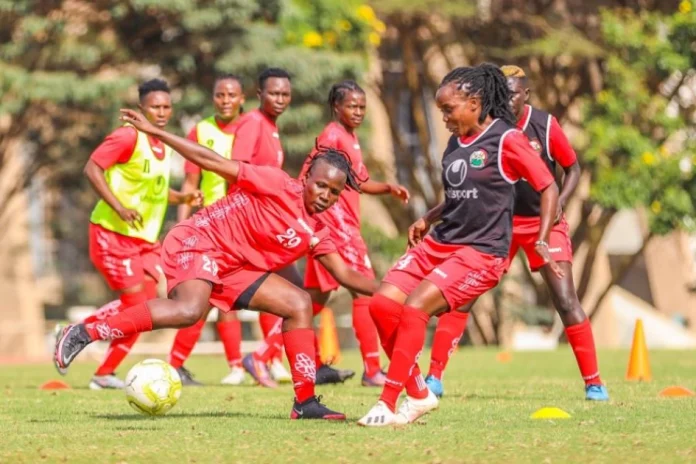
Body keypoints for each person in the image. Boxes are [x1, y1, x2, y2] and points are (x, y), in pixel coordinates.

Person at [55, 108, 380, 420]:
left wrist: (399, 292)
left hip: (235, 267)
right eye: (321, 185)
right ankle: (84, 332)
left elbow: (346, 275)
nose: (325, 194)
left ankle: (305, 403)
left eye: (334, 192)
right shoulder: (276, 183)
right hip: (200, 240)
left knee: (299, 303)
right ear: (307, 177)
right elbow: (212, 161)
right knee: (188, 311)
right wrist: (157, 132)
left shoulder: (318, 231)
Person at [357, 63, 561, 426]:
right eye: (442, 110)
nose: (445, 118)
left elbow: (547, 186)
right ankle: (419, 394)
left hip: (482, 252)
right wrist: (428, 217)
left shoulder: (507, 140)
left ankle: (388, 402)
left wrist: (543, 238)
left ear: (475, 102)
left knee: (415, 307)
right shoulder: (455, 142)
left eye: (448, 110)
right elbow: (460, 195)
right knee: (382, 305)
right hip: (441, 240)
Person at [422, 65, 609, 402]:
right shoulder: (485, 131)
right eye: (501, 94)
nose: (506, 100)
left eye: (513, 94)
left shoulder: (545, 125)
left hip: (543, 224)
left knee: (565, 299)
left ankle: (594, 383)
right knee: (462, 298)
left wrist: (559, 207)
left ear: (526, 94)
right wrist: (431, 217)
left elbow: (572, 168)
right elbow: (459, 190)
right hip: (500, 225)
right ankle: (433, 377)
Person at [246, 80, 409, 388]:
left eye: (361, 107)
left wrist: (387, 187)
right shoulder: (332, 136)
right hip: (335, 226)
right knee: (362, 291)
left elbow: (358, 183)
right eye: (352, 106)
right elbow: (310, 176)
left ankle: (262, 354)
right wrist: (311, 217)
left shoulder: (348, 136)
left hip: (339, 224)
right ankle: (373, 369)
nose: (358, 112)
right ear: (337, 107)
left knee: (313, 300)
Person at [56, 79, 202, 389]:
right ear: (141, 109)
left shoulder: (162, 145)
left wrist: (185, 198)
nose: (161, 113)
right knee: (136, 306)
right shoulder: (127, 137)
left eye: (166, 107)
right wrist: (119, 207)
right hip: (112, 235)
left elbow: (157, 192)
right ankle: (76, 332)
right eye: (154, 107)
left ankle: (104, 374)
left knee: (145, 310)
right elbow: (92, 169)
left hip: (146, 242)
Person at [166, 73, 248, 386]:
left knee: (236, 292)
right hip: (211, 227)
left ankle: (249, 364)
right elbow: (190, 183)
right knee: (209, 295)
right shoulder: (200, 130)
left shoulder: (251, 128)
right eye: (219, 95)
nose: (225, 101)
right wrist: (184, 223)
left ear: (242, 99)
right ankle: (236, 366)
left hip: (245, 226)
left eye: (231, 95)